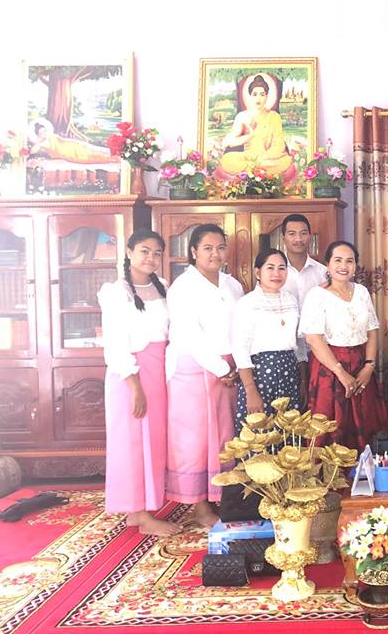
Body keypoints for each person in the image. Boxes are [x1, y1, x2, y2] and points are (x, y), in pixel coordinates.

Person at [98, 230, 180, 538]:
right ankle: (141, 515)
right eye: (145, 251)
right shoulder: (116, 292)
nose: (151, 258)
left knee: (153, 442)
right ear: (129, 252)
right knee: (132, 442)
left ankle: (140, 510)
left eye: (157, 253)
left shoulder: (164, 288)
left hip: (159, 369)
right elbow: (115, 343)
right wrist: (135, 387)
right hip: (130, 374)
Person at [165, 224, 244, 527]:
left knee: (224, 437)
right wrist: (223, 368)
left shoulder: (232, 284)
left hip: (229, 368)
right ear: (194, 251)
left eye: (220, 247)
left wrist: (235, 366)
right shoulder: (183, 287)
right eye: (208, 248)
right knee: (195, 439)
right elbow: (189, 335)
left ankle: (221, 497)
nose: (215, 254)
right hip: (193, 368)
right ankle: (199, 507)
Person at [300, 241, 388, 451]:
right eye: (338, 260)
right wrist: (340, 372)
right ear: (328, 265)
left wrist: (369, 366)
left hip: (361, 365)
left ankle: (366, 470)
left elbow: (372, 331)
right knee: (331, 427)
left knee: (367, 420)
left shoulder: (361, 292)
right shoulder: (317, 295)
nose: (343, 266)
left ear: (355, 266)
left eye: (349, 261)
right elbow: (313, 339)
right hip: (329, 367)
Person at [231, 249, 302, 428]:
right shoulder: (247, 303)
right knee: (260, 431)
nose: (276, 273)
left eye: (281, 268)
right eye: (270, 268)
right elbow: (240, 347)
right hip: (260, 374)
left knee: (288, 431)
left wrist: (302, 378)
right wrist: (250, 389)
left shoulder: (291, 300)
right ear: (258, 272)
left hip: (289, 371)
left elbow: (299, 342)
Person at [280, 214, 328, 395]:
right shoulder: (275, 272)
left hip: (317, 349)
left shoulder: (323, 272)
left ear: (310, 236)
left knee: (316, 399)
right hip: (283, 350)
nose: (298, 239)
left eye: (303, 233)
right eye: (292, 234)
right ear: (283, 237)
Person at [219, 74, 292, 179]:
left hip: (269, 158)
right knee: (227, 160)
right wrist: (248, 136)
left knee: (285, 161)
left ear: (267, 96)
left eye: (262, 94)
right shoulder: (242, 116)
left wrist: (264, 158)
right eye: (255, 94)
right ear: (250, 96)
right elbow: (228, 142)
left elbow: (279, 146)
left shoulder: (274, 116)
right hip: (250, 156)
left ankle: (251, 171)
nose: (258, 98)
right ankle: (257, 170)